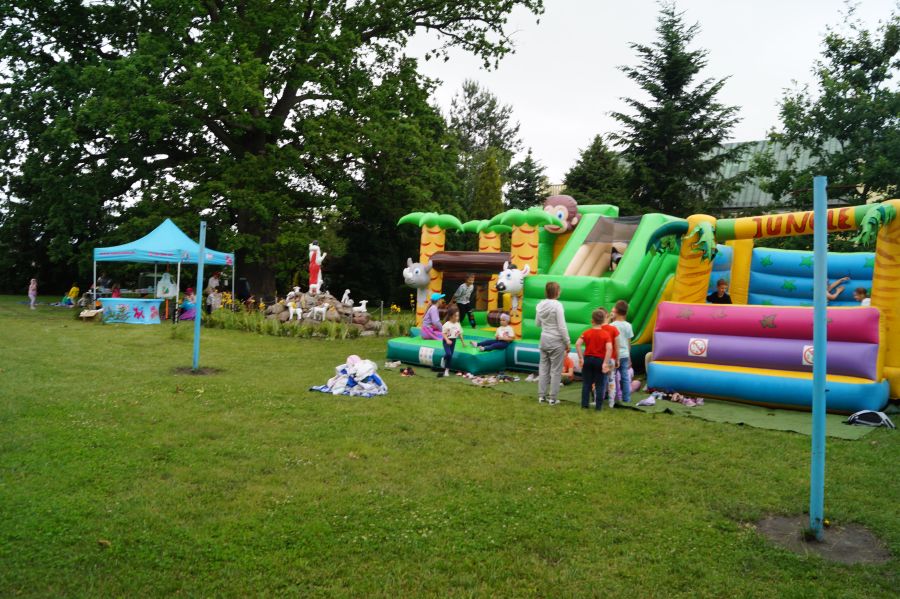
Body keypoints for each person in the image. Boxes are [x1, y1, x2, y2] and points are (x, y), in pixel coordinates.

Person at [535, 282, 570, 406]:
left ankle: (541, 396)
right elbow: (562, 327)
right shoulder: (557, 305)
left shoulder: (540, 305)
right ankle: (552, 398)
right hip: (556, 341)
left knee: (543, 368)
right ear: (557, 292)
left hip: (544, 339)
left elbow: (537, 324)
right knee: (555, 371)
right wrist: (567, 342)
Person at [576, 308, 614, 411]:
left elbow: (578, 344)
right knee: (600, 385)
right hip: (599, 360)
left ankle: (584, 405)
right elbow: (609, 348)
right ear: (603, 320)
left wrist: (581, 358)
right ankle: (598, 407)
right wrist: (605, 363)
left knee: (586, 383)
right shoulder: (606, 334)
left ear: (592, 320)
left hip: (588, 359)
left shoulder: (587, 332)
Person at [611, 300, 635, 404]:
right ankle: (626, 399)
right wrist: (629, 358)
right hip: (625, 355)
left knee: (612, 377)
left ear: (615, 311)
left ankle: (613, 397)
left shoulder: (612, 326)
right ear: (626, 312)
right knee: (625, 377)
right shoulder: (628, 326)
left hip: (614, 355)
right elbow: (629, 343)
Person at [439, 306, 464, 378]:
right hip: (446, 341)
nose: (457, 317)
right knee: (448, 354)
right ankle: (443, 358)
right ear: (451, 316)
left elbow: (460, 334)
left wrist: (463, 342)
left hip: (453, 341)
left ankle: (447, 370)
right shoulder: (447, 324)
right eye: (455, 316)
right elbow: (443, 334)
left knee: (450, 356)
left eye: (458, 316)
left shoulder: (458, 324)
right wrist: (447, 340)